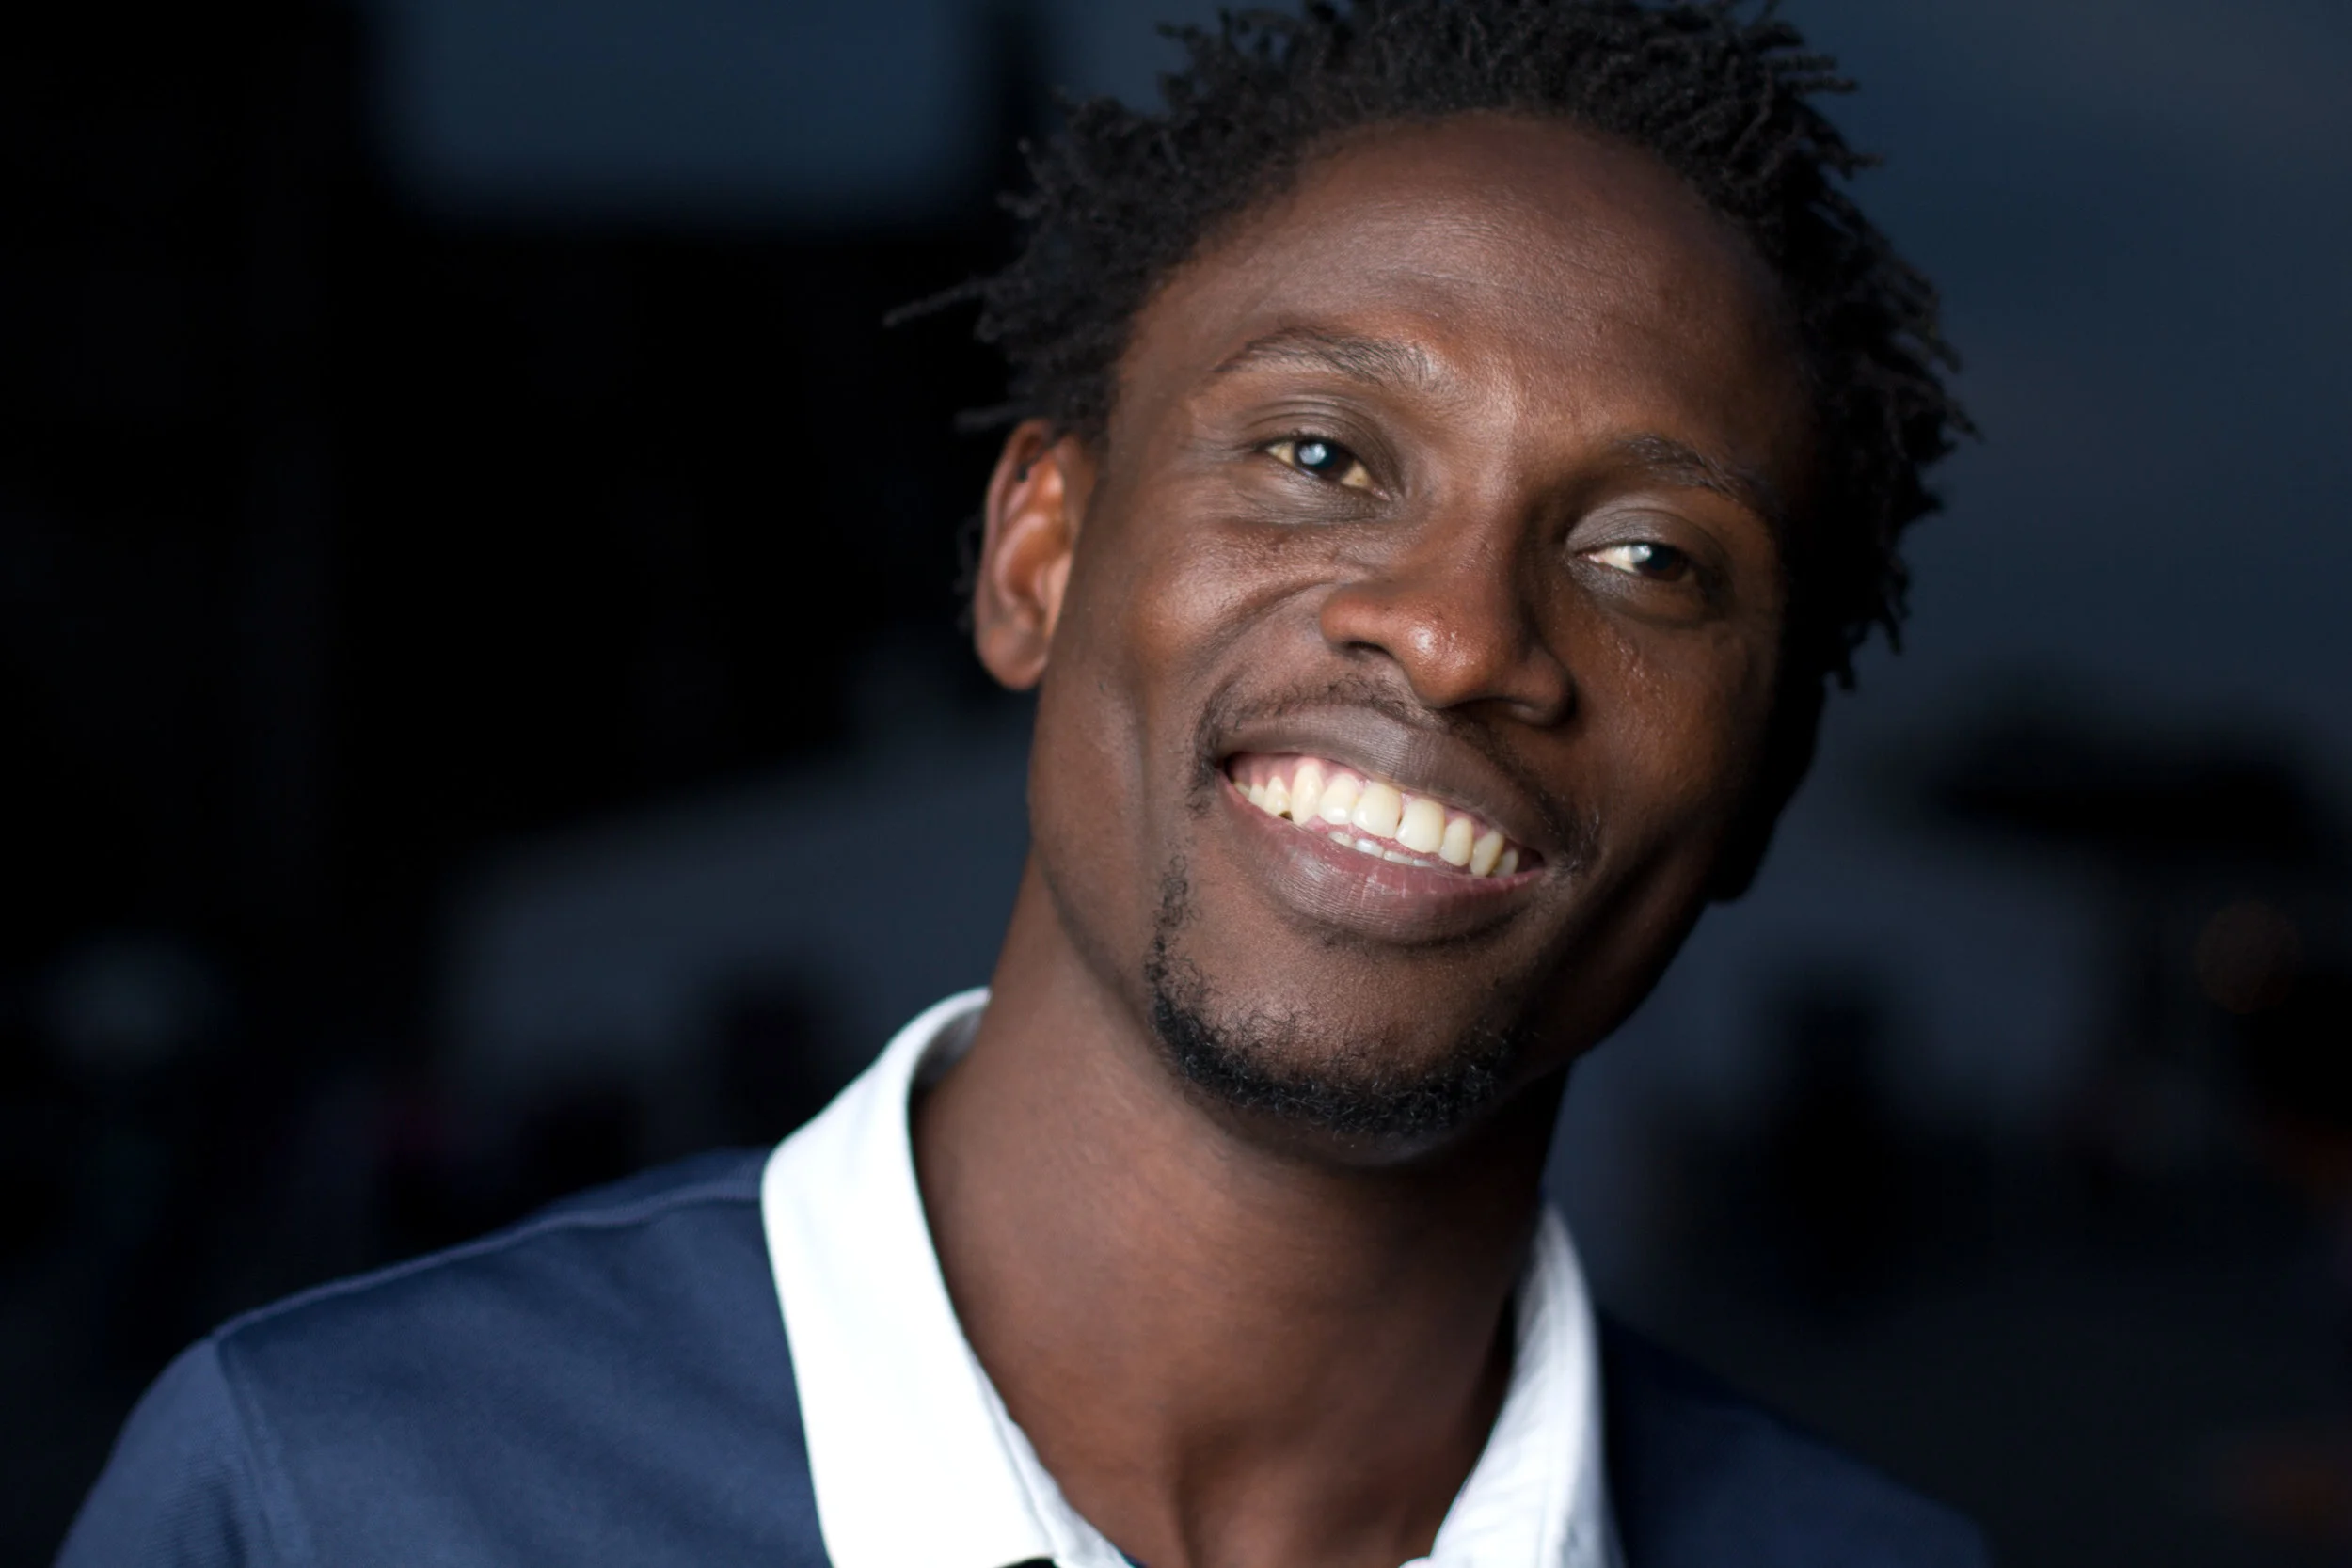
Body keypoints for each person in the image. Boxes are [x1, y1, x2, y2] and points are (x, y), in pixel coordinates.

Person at [60, 3, 1984, 1563]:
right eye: (1320, 455)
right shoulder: (332, 1496)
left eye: (1651, 556)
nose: (1458, 630)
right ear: (1033, 559)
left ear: (1765, 780)